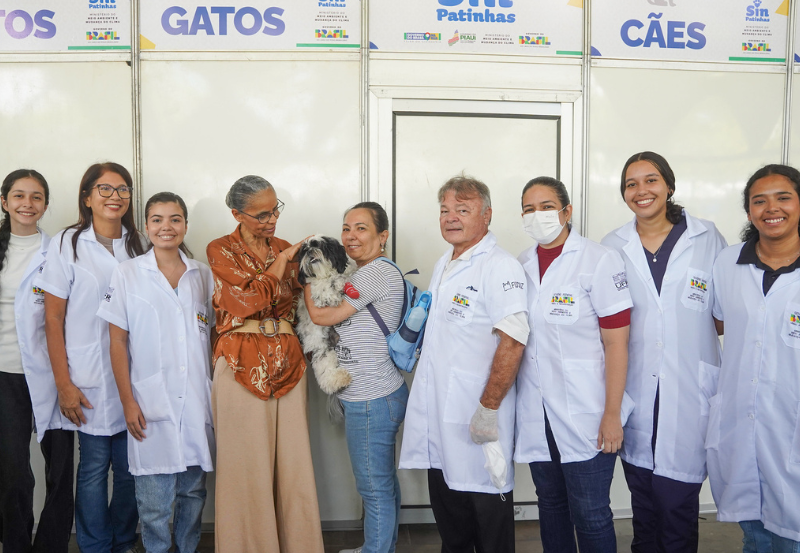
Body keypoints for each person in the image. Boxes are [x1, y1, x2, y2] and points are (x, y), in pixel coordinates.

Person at [601, 152, 727, 553]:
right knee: (644, 507)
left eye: (651, 180)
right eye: (631, 184)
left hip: (689, 391)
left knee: (678, 507)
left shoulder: (707, 238)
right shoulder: (612, 246)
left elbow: (724, 316)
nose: (642, 191)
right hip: (635, 389)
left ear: (669, 185)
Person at [399, 175, 529, 552]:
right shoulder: (445, 263)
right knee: (452, 526)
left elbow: (513, 341)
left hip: (477, 418)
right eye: (445, 210)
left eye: (462, 209)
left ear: (486, 215)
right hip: (440, 417)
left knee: (489, 523)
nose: (451, 217)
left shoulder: (499, 266)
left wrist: (488, 408)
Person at [514, 176, 634, 553]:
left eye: (547, 207)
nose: (538, 216)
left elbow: (617, 343)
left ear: (566, 211)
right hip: (537, 411)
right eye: (529, 209)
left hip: (588, 411)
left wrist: (611, 414)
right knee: (550, 506)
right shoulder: (521, 264)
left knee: (591, 513)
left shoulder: (598, 259)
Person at [206, 175, 324, 553]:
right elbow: (245, 303)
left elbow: (310, 302)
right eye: (261, 214)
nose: (272, 219)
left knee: (294, 466)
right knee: (245, 468)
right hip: (239, 362)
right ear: (236, 214)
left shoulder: (288, 247)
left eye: (275, 209)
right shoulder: (220, 249)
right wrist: (284, 262)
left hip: (288, 360)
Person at [98, 192, 215, 553]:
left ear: (184, 225)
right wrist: (128, 401)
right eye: (158, 219)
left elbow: (212, 336)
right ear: (146, 226)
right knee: (154, 504)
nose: (167, 227)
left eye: (175, 219)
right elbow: (117, 342)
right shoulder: (128, 273)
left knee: (193, 494)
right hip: (149, 400)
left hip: (196, 399)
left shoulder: (203, 275)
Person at [38, 162, 144, 553]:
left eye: (122, 189)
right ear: (86, 197)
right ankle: (95, 546)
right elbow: (52, 317)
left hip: (135, 375)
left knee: (132, 471)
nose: (114, 196)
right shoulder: (67, 243)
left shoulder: (140, 242)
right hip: (88, 376)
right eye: (104, 188)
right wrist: (64, 384)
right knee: (95, 468)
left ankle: (123, 542)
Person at [302, 201, 408, 553]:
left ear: (383, 236)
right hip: (375, 392)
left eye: (361, 228)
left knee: (373, 487)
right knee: (381, 483)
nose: (350, 236)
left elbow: (322, 316)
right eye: (346, 228)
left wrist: (305, 276)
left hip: (371, 396)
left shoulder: (375, 273)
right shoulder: (361, 274)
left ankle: (376, 551)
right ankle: (379, 548)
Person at [709, 164, 800, 552]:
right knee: (756, 534)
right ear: (748, 212)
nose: (770, 208)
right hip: (741, 424)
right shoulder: (728, 263)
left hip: (791, 424)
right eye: (758, 201)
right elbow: (717, 322)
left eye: (783, 197)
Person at [0, 170, 74, 553]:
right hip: (5, 373)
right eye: (19, 196)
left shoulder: (59, 249)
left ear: (45, 204)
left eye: (36, 197)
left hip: (52, 372)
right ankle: (14, 544)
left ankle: (52, 545)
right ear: (4, 202)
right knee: (12, 472)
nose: (27, 204)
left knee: (60, 470)